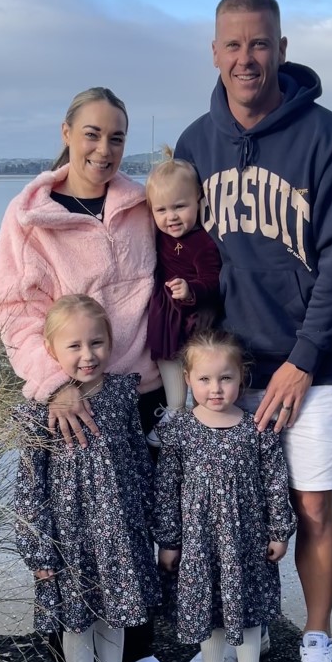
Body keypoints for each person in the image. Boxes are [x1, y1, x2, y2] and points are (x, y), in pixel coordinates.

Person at [174, 0, 332, 662]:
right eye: (233, 45)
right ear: (215, 53)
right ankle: (231, 641)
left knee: (311, 507)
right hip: (229, 369)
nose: (246, 58)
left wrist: (305, 356)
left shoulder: (329, 139)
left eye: (260, 43)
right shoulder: (196, 143)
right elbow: (177, 249)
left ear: (282, 50)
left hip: (313, 366)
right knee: (227, 516)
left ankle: (317, 636)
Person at [0, 87, 171, 662]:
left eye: (116, 137)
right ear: (67, 132)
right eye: (92, 134)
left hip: (138, 390)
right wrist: (54, 385)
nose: (104, 148)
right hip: (70, 395)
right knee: (69, 530)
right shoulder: (29, 215)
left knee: (134, 519)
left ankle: (135, 643)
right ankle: (66, 652)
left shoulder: (142, 204)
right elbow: (14, 310)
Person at [14, 294, 159, 662]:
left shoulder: (120, 395)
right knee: (77, 617)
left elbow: (137, 459)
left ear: (111, 342)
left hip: (118, 529)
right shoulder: (37, 411)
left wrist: (150, 522)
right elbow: (29, 486)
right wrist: (37, 549)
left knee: (116, 609)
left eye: (96, 343)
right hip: (69, 534)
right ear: (51, 351)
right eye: (73, 346)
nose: (87, 355)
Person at [154, 330, 296, 662]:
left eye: (225, 378)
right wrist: (169, 540)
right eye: (204, 379)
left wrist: (279, 531)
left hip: (246, 539)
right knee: (210, 605)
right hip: (200, 541)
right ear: (188, 380)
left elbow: (274, 482)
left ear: (241, 378)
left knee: (247, 603)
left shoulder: (257, 428)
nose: (215, 388)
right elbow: (167, 487)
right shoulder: (180, 429)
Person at [143, 147, 222, 447]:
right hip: (166, 311)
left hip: (191, 313)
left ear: (198, 202)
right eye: (161, 210)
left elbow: (213, 281)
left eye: (180, 206)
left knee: (192, 361)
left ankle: (192, 413)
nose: (171, 217)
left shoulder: (201, 242)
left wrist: (191, 290)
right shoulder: (158, 234)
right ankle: (175, 409)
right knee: (166, 356)